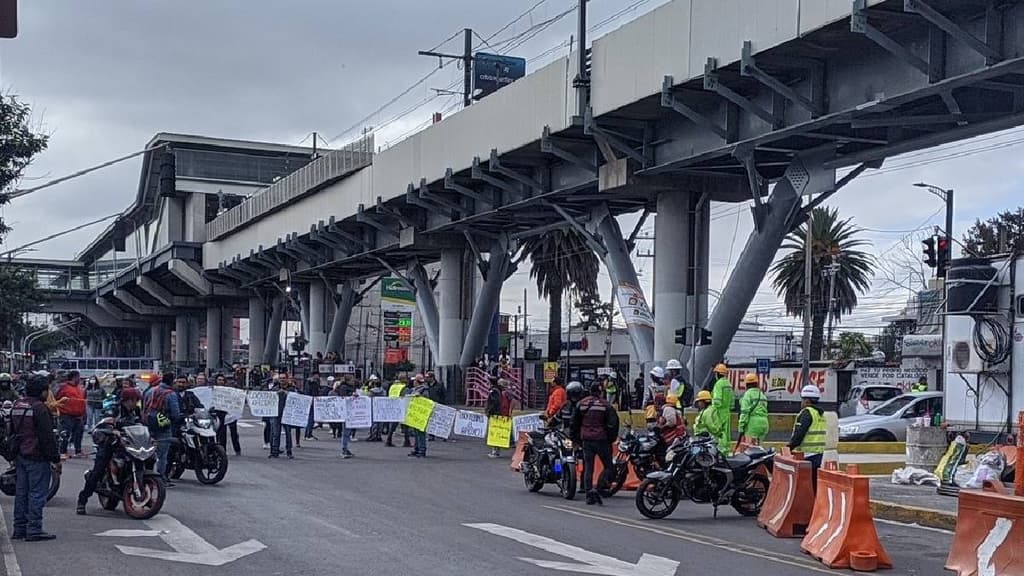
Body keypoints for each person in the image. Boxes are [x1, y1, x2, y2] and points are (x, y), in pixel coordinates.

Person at [76, 386, 142, 515]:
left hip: (129, 444)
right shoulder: (114, 409)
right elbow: (105, 422)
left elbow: (141, 424)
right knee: (98, 470)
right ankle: (82, 501)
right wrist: (112, 429)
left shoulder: (136, 411)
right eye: (134, 400)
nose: (135, 403)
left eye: (137, 400)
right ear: (126, 400)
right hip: (109, 442)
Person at [11, 376, 60, 542]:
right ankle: (34, 529)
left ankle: (19, 528)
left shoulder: (17, 405)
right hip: (37, 456)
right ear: (43, 391)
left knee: (21, 493)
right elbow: (47, 437)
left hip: (20, 455)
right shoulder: (40, 408)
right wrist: (55, 458)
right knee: (37, 494)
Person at [572, 381, 618, 506]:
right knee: (609, 467)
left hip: (586, 440)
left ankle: (589, 494)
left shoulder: (581, 404)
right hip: (602, 440)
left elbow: (574, 423)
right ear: (601, 391)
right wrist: (610, 439)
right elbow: (613, 424)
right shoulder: (605, 405)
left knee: (588, 467)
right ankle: (598, 488)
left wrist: (576, 440)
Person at [142, 372, 181, 484]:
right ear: (172, 382)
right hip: (163, 426)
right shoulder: (171, 394)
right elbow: (175, 414)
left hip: (148, 423)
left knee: (148, 450)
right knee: (162, 454)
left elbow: (144, 406)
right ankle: (160, 478)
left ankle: (146, 474)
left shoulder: (151, 391)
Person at [789, 384, 826, 486]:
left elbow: (799, 434)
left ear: (807, 401)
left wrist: (789, 447)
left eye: (802, 399)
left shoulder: (806, 413)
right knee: (814, 484)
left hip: (807, 455)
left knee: (805, 485)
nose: (801, 402)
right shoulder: (820, 414)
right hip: (818, 454)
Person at [55, 371, 86, 459]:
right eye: (78, 377)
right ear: (74, 377)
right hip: (67, 414)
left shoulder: (79, 388)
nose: (79, 379)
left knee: (78, 434)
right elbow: (57, 398)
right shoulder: (64, 387)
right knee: (65, 434)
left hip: (78, 415)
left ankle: (78, 451)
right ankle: (62, 451)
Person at [213, 374, 242, 456]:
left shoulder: (229, 390)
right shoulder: (213, 390)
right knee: (221, 433)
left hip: (230, 414)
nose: (220, 381)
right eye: (219, 380)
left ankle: (237, 449)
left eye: (222, 380)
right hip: (220, 414)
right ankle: (223, 451)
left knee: (234, 433)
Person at [738, 373, 770, 446]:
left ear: (746, 384)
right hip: (764, 423)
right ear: (757, 383)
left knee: (749, 449)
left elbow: (744, 412)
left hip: (753, 424)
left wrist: (741, 427)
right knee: (758, 448)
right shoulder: (762, 394)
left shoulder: (748, 395)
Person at [709, 363, 734, 451]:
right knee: (726, 434)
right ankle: (726, 450)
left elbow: (717, 400)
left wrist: (712, 410)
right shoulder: (728, 384)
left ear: (718, 374)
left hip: (718, 412)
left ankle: (719, 451)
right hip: (727, 412)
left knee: (717, 433)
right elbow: (732, 401)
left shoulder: (718, 384)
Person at [485, 378, 512, 458]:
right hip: (499, 413)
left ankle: (495, 451)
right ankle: (496, 451)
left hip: (495, 414)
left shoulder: (494, 392)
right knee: (497, 432)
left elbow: (493, 403)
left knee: (495, 433)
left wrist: (489, 412)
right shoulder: (498, 391)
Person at [269, 380, 294, 459]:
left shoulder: (292, 389)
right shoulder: (274, 389)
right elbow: (268, 397)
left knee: (288, 434)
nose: (283, 381)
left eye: (284, 379)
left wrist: (289, 394)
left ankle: (289, 451)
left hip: (287, 414)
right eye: (281, 379)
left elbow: (298, 397)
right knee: (275, 433)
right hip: (276, 414)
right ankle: (274, 451)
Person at [334, 377, 356, 459]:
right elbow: (344, 398)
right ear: (348, 381)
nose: (353, 381)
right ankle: (344, 449)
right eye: (352, 380)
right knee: (346, 432)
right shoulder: (344, 388)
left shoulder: (345, 387)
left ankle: (346, 448)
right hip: (346, 411)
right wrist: (351, 395)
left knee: (347, 431)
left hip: (349, 411)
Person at [304, 372, 321, 440]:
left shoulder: (308, 382)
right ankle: (308, 435)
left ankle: (308, 434)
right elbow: (313, 392)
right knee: (311, 418)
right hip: (312, 401)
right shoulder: (312, 383)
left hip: (310, 401)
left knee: (310, 418)